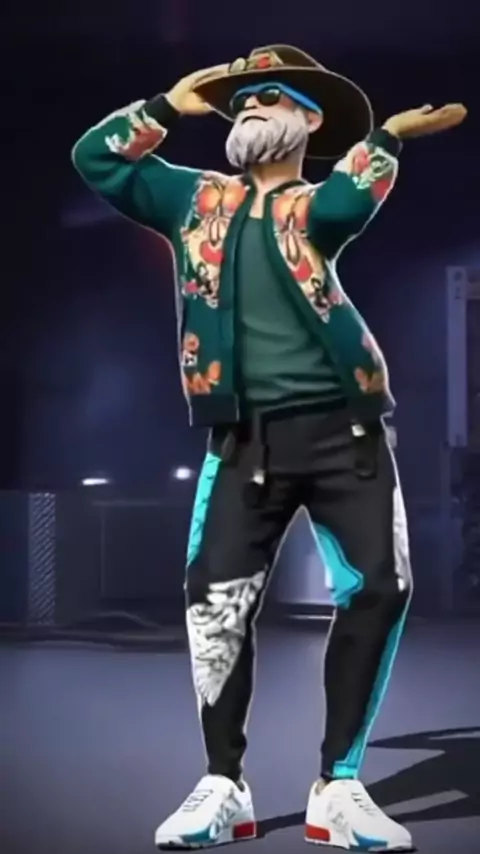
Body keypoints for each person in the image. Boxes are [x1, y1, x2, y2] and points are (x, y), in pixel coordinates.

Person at [72, 44, 466, 851]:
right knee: (215, 601)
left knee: (380, 587)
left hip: (347, 430)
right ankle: (224, 784)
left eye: (269, 95)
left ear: (308, 119)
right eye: (240, 99)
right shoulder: (192, 198)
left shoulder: (314, 205)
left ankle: (339, 785)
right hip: (243, 439)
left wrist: (386, 136)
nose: (248, 105)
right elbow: (95, 159)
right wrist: (165, 108)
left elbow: (346, 206)